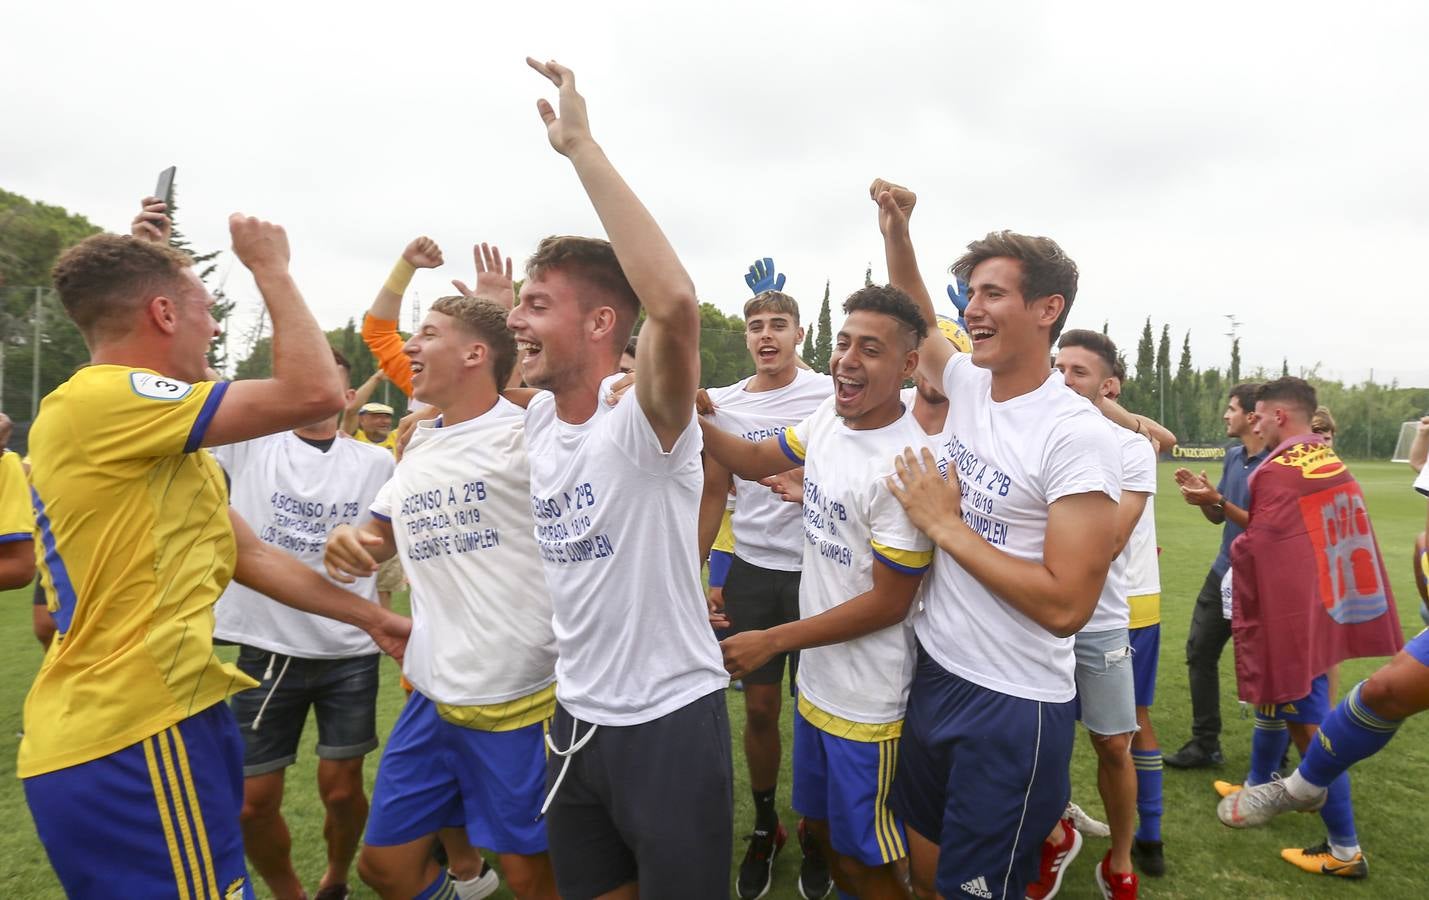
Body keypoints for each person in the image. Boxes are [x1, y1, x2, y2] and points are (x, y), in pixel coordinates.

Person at [22, 204, 409, 898]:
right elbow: (316, 391)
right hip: (134, 731)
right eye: (206, 310)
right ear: (166, 315)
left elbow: (250, 555)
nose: (218, 326)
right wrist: (271, 269)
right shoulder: (105, 400)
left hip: (156, 722)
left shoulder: (144, 433)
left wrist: (373, 620)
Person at [505, 59, 731, 899]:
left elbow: (672, 304)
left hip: (666, 723)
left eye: (535, 304)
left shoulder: (641, 425)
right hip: (575, 719)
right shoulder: (536, 417)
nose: (514, 320)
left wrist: (580, 148)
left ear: (600, 322)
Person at [869, 179, 1122, 900]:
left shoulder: (1075, 438)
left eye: (992, 295)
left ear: (1048, 310)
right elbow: (918, 315)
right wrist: (895, 232)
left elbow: (1066, 605)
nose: (971, 310)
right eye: (969, 294)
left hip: (1013, 704)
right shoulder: (972, 386)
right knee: (921, 871)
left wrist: (944, 525)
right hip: (937, 671)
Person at [703, 285, 935, 900]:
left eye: (871, 348)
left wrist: (771, 640)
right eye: (843, 342)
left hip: (871, 703)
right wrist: (678, 411)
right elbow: (754, 459)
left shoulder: (907, 465)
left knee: (872, 864)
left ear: (909, 365)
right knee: (833, 845)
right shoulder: (831, 418)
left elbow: (891, 602)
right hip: (820, 692)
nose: (847, 359)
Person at [326, 295, 556, 900]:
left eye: (427, 333)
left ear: (476, 354)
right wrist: (355, 542)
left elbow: (600, 402)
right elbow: (381, 536)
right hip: (431, 693)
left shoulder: (531, 433)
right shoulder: (417, 443)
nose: (409, 347)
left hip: (517, 693)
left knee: (532, 874)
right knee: (384, 866)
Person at [211, 348, 395, 900]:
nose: (316, 394)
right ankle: (289, 892)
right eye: (304, 381)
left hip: (349, 649)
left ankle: (335, 879)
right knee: (253, 800)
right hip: (269, 648)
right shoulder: (250, 443)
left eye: (330, 384)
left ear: (345, 396)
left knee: (342, 792)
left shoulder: (376, 463)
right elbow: (205, 383)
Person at [1214, 378, 1403, 878]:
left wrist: (1235, 547)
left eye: (1258, 414)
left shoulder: (1277, 470)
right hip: (1330, 599)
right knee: (1293, 705)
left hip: (1297, 610)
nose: (1252, 422)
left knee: (1312, 730)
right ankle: (1264, 783)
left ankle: (1345, 851)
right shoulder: (1324, 456)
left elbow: (1258, 544)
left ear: (1279, 416)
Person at [698, 286, 832, 900]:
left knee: (819, 710)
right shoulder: (722, 405)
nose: (766, 335)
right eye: (756, 325)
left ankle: (817, 827)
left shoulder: (829, 395)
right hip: (751, 572)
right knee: (757, 710)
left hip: (819, 573)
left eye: (779, 324)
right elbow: (711, 489)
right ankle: (764, 824)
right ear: (746, 337)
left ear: (799, 334)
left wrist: (810, 477)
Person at [1023, 329, 1157, 900]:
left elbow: (1107, 543)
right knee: (1039, 745)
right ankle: (1054, 836)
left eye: (1078, 371)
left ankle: (1119, 860)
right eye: (1058, 367)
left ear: (1109, 386)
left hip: (1098, 622)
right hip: (1031, 616)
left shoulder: (1130, 448)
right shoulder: (1031, 433)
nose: (1062, 379)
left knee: (1113, 744)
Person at [1163, 383, 1266, 769]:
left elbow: (1263, 525)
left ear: (1253, 417)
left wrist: (1217, 500)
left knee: (1266, 670)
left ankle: (1278, 759)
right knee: (1199, 653)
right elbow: (1220, 515)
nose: (1226, 414)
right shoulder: (1234, 455)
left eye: (1232, 408)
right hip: (1223, 571)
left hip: (1261, 583)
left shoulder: (1274, 465)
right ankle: (1206, 745)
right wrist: (1203, 498)